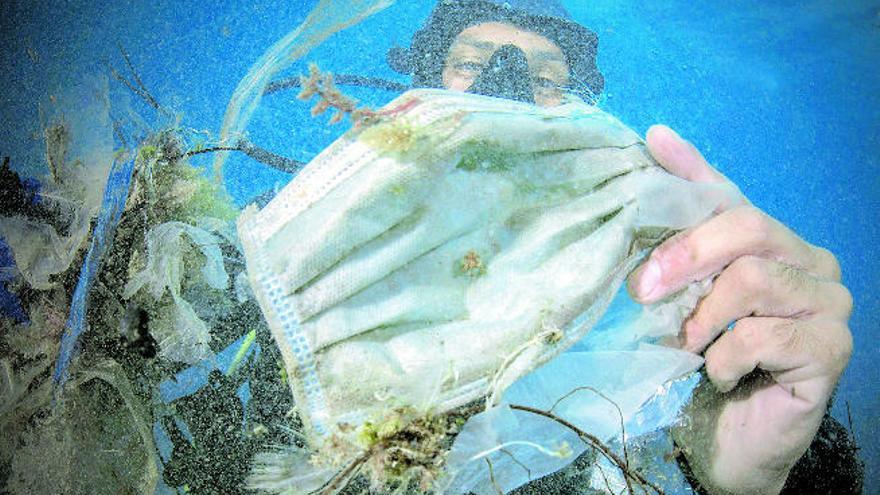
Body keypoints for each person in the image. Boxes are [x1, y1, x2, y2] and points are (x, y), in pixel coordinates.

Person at [387, 0, 863, 493]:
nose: (507, 86)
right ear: (419, 85)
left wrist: (753, 473)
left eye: (547, 80)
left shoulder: (654, 303)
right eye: (467, 63)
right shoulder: (308, 272)